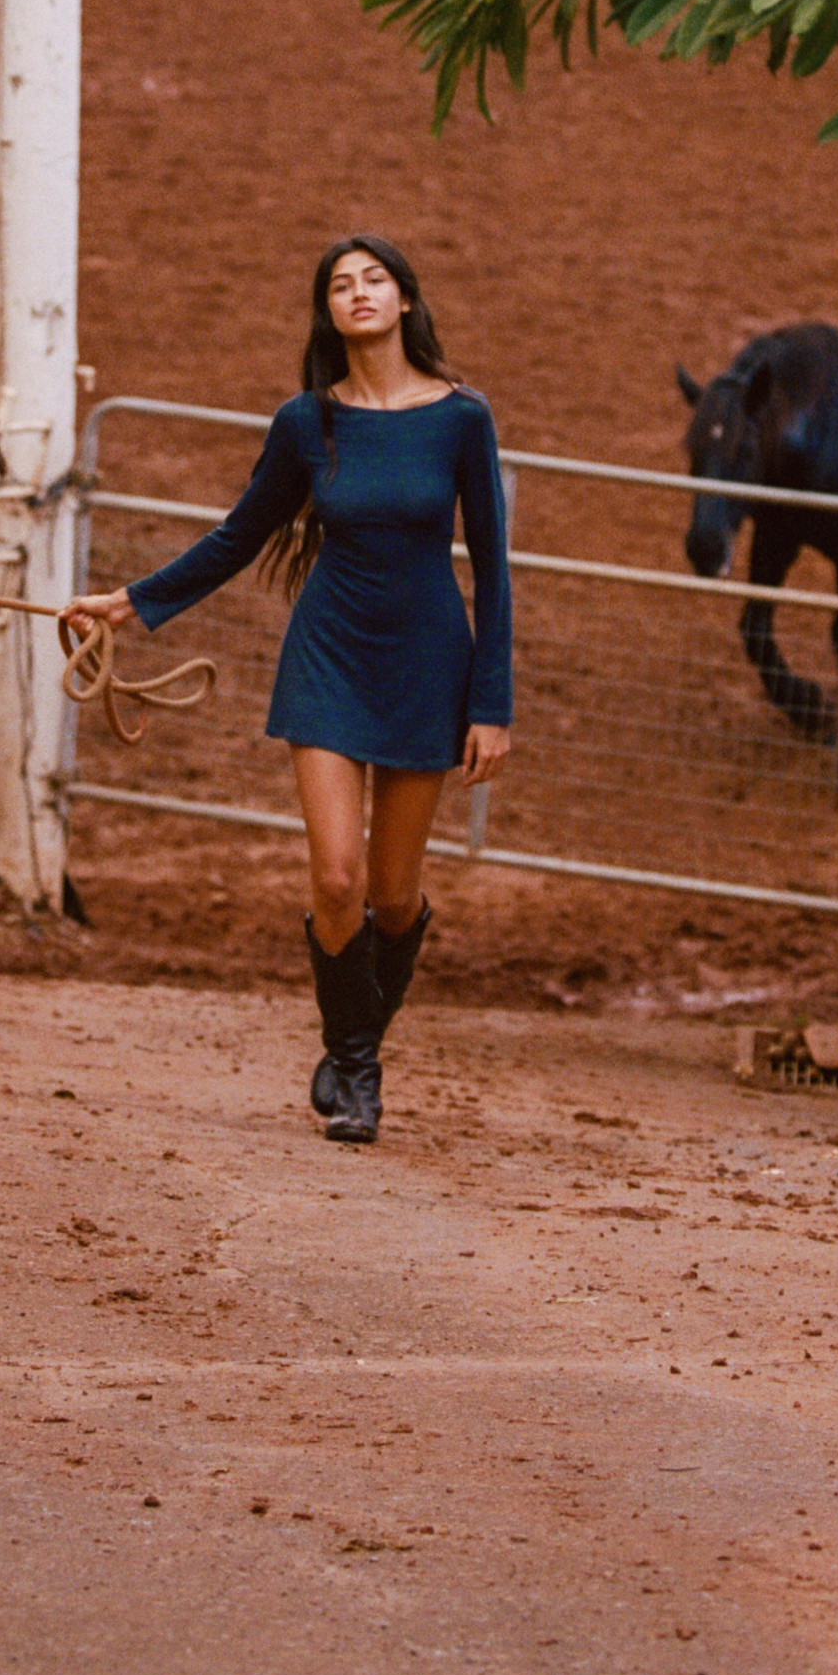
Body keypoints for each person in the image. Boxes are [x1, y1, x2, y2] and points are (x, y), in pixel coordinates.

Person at [64, 235, 513, 1144]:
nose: (358, 295)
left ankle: (351, 1040)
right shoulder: (306, 422)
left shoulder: (462, 417)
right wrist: (134, 602)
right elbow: (240, 533)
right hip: (331, 655)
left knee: (393, 896)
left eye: (373, 280)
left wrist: (491, 704)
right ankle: (357, 1071)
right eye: (341, 286)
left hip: (430, 660)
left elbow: (496, 569)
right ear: (329, 312)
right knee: (337, 875)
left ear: (405, 299)